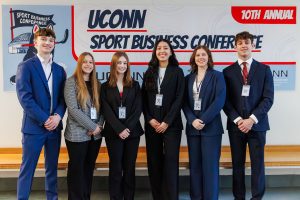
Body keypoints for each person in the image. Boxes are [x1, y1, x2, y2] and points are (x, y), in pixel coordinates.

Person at [15, 27, 66, 200]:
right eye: (43, 39)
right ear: (35, 43)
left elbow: (62, 99)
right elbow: (25, 98)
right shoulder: (25, 67)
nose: (47, 42)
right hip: (34, 128)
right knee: (27, 169)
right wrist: (45, 119)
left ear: (54, 44)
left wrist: (58, 116)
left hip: (54, 128)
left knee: (52, 168)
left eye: (51, 40)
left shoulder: (60, 70)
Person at [223, 31, 274, 200]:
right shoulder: (227, 72)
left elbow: (268, 99)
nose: (243, 45)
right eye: (240, 43)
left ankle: (257, 197)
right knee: (237, 165)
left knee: (258, 164)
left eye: (247, 42)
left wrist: (251, 120)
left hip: (258, 126)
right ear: (235, 47)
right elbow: (225, 101)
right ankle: (239, 197)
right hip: (236, 127)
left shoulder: (264, 70)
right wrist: (239, 120)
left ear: (253, 46)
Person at [142, 39, 185, 200]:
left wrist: (167, 121)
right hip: (152, 125)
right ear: (155, 52)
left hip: (172, 126)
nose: (162, 51)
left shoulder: (178, 72)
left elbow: (179, 98)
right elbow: (144, 99)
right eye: (159, 48)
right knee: (154, 163)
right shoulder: (149, 72)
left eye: (165, 48)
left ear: (171, 52)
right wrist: (149, 119)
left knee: (171, 163)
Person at [182, 45, 226, 200]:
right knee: (195, 166)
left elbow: (219, 100)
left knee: (210, 167)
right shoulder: (188, 78)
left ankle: (210, 197)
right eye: (198, 55)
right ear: (194, 58)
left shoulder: (217, 76)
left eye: (204, 54)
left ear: (209, 57)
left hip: (211, 128)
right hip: (193, 128)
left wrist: (204, 120)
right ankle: (196, 196)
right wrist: (192, 120)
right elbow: (184, 102)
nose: (201, 57)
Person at [101, 51, 143, 200]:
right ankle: (116, 197)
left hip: (133, 133)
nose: (122, 66)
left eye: (125, 63)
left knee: (129, 167)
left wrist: (127, 129)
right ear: (113, 65)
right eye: (119, 63)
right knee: (116, 167)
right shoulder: (105, 86)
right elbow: (106, 110)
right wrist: (119, 129)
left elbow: (138, 109)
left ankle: (129, 197)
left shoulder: (135, 85)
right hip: (113, 133)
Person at [64, 52, 103, 199]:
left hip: (96, 135)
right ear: (79, 64)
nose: (88, 64)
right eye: (84, 62)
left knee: (88, 168)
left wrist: (98, 126)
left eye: (90, 62)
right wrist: (92, 126)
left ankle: (86, 196)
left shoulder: (97, 84)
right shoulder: (71, 82)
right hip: (77, 134)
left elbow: (103, 108)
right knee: (76, 169)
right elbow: (73, 109)